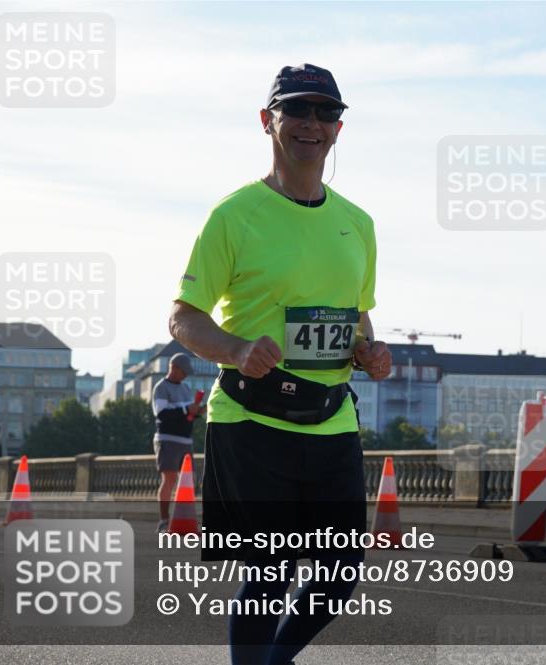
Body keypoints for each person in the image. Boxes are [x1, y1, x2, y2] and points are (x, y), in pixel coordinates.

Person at [168, 63, 391, 665]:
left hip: (331, 418)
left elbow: (357, 314)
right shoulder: (234, 215)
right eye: (298, 110)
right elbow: (183, 319)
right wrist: (237, 350)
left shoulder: (359, 224)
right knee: (269, 571)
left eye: (326, 113)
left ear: (339, 130)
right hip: (250, 417)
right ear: (269, 121)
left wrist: (370, 351)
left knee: (340, 572)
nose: (312, 124)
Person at [152, 352, 204, 532]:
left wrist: (198, 411)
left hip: (185, 440)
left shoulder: (185, 388)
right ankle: (164, 520)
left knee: (189, 481)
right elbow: (161, 414)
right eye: (184, 371)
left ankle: (184, 520)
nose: (186, 375)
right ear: (174, 367)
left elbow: (188, 414)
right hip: (167, 439)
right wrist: (186, 409)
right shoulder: (161, 387)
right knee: (170, 479)